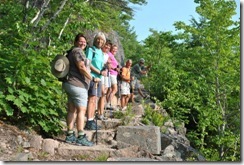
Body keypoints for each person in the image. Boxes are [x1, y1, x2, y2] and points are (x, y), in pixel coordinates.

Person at [62, 33, 94, 146]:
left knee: (72, 110)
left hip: (69, 83)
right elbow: (81, 67)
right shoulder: (78, 51)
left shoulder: (71, 51)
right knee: (81, 111)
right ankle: (81, 136)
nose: (83, 43)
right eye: (80, 41)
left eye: (84, 42)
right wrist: (92, 78)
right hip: (78, 85)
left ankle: (70, 135)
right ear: (75, 42)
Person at [85, 32, 107, 130]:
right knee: (92, 99)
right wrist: (99, 72)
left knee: (95, 99)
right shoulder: (91, 49)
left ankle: (91, 119)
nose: (100, 41)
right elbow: (88, 63)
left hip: (99, 78)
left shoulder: (101, 53)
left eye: (102, 40)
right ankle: (89, 121)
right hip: (92, 77)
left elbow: (101, 66)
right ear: (95, 40)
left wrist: (104, 70)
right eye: (98, 39)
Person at [97, 39, 113, 120]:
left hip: (106, 75)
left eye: (109, 46)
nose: (107, 47)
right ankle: (98, 112)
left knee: (104, 94)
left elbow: (109, 65)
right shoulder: (99, 53)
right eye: (106, 45)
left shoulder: (107, 55)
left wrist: (108, 65)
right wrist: (107, 64)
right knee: (102, 93)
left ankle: (101, 113)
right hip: (100, 74)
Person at [106, 44, 120, 110]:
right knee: (115, 89)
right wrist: (114, 68)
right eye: (114, 49)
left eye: (116, 49)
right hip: (111, 74)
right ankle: (108, 103)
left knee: (110, 90)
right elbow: (107, 63)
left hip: (114, 74)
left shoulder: (112, 56)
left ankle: (108, 103)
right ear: (111, 48)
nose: (115, 50)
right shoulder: (109, 54)